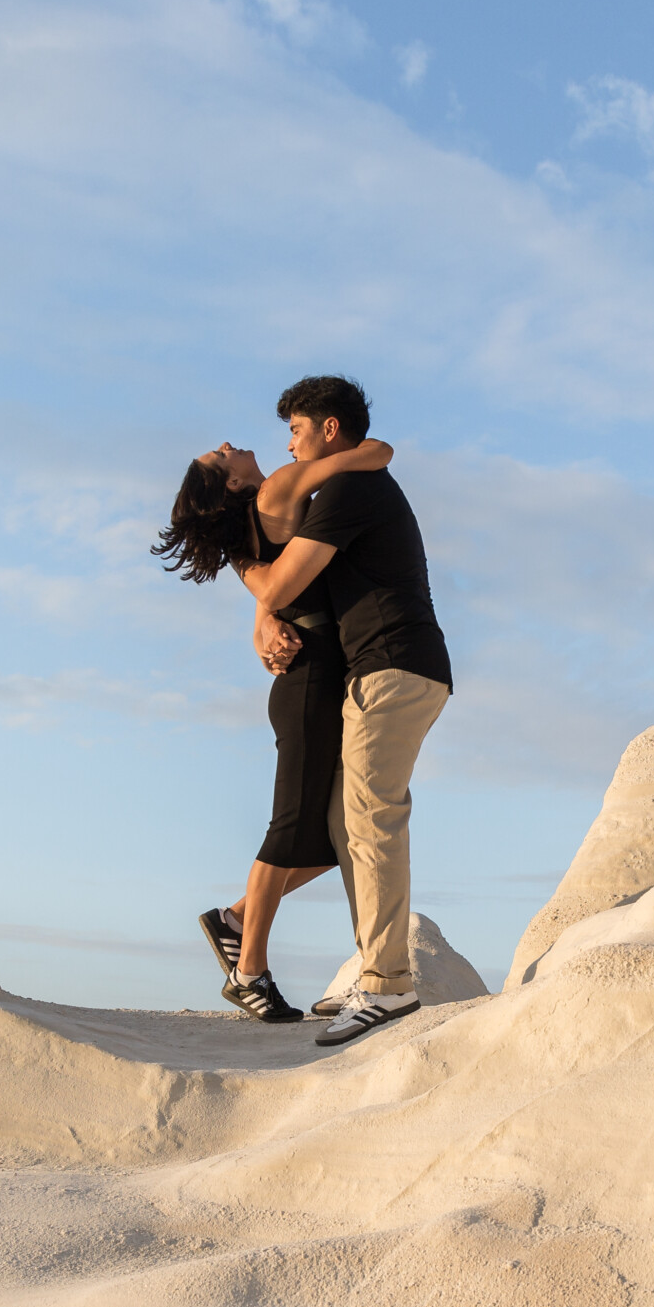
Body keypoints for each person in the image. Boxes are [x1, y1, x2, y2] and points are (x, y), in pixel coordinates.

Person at [155, 429, 394, 1021]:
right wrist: (337, 452)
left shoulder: (248, 533)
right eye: (219, 455)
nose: (226, 443)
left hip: (310, 676)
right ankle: (249, 969)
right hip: (310, 676)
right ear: (233, 482)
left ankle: (235, 918)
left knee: (330, 841)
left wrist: (262, 622)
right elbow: (375, 454)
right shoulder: (282, 486)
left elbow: (272, 583)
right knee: (290, 827)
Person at [248, 376, 453, 1047]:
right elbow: (281, 578)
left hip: (394, 665)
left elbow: (281, 581)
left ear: (330, 429)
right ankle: (374, 969)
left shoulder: (348, 489)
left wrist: (240, 564)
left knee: (370, 817)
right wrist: (262, 618)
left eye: (298, 428)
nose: (290, 442)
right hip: (386, 667)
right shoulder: (347, 483)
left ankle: (389, 984)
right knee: (347, 822)